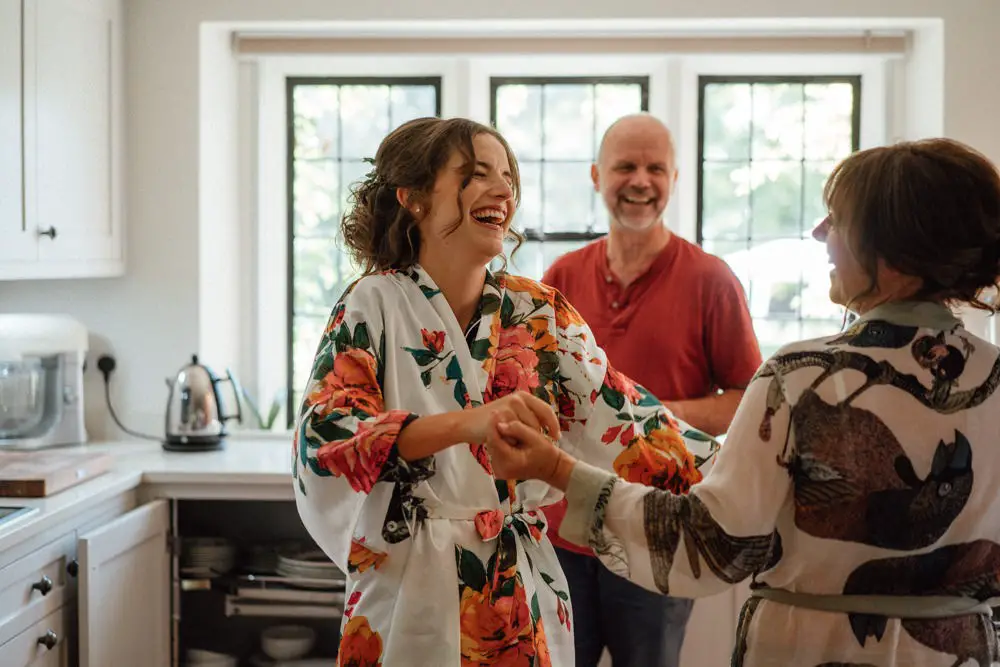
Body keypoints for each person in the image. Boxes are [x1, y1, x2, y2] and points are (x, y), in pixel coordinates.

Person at [484, 137, 1000, 666]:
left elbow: (712, 545)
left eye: (837, 219)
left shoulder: (803, 379)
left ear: (894, 250)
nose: (819, 232)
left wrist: (559, 469)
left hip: (813, 648)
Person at [291, 117, 717, 667]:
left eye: (506, 176)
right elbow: (326, 436)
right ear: (414, 199)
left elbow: (629, 420)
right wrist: (470, 423)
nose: (502, 189)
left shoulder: (539, 313)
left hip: (515, 596)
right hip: (405, 582)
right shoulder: (371, 304)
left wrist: (746, 476)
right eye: (474, 174)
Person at [540, 113, 762, 667]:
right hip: (559, 528)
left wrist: (646, 416)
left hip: (658, 530)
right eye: (625, 167)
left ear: (674, 178)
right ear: (596, 176)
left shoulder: (711, 280)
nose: (641, 180)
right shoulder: (562, 275)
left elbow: (748, 400)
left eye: (655, 168)